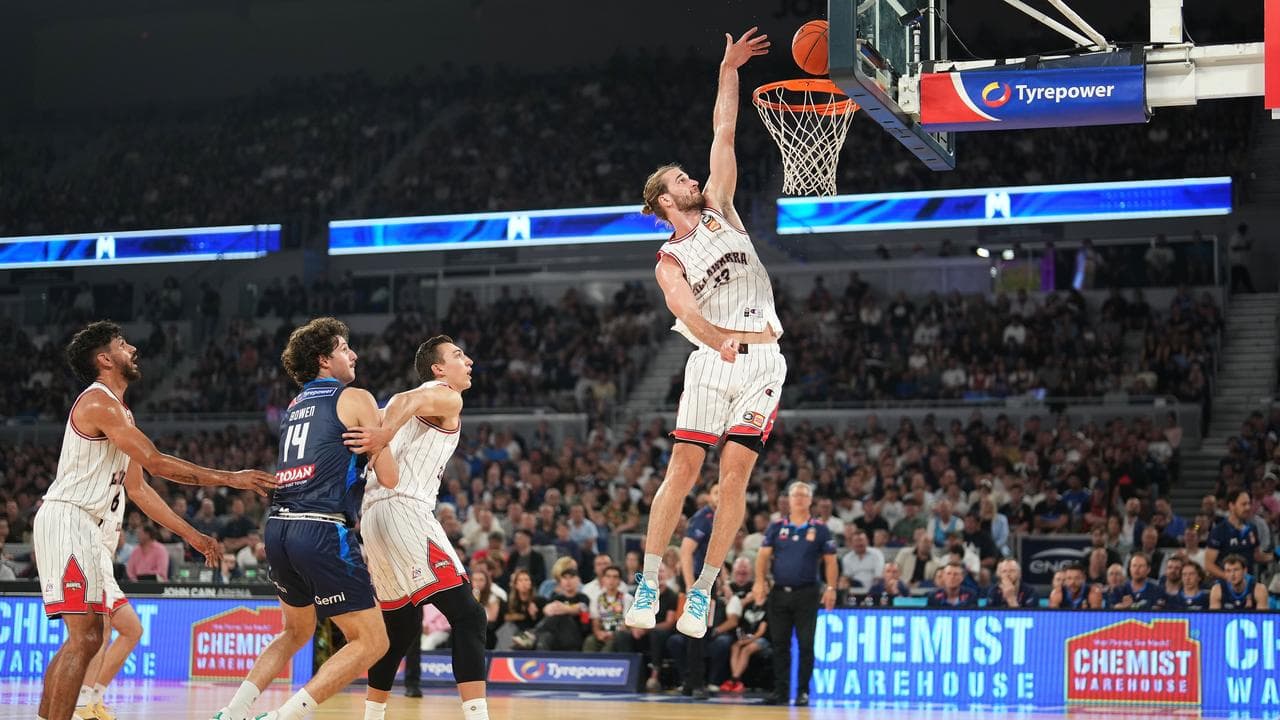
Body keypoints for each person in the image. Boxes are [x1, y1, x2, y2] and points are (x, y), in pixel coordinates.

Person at [627, 27, 783, 642]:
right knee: (685, 468)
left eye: (689, 176)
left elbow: (724, 128)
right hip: (714, 359)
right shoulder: (669, 257)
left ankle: (703, 590)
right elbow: (683, 309)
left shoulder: (720, 205)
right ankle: (648, 580)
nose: (692, 180)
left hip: (764, 360)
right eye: (680, 180)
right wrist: (716, 338)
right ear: (664, 201)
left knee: (734, 478)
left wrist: (729, 69)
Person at [34, 321, 272, 720]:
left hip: (87, 528)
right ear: (104, 359)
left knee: (87, 638)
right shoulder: (99, 403)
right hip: (69, 518)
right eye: (122, 344)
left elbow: (140, 489)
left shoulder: (120, 413)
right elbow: (157, 463)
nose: (133, 349)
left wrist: (192, 535)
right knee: (86, 637)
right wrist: (232, 478)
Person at [212, 318, 397, 720]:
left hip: (278, 527)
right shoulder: (356, 397)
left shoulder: (293, 407)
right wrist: (384, 438)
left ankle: (232, 712)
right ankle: (284, 717)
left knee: (295, 631)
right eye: (345, 348)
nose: (354, 354)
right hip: (321, 527)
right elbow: (390, 477)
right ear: (323, 360)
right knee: (372, 641)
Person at [341, 335, 490, 720]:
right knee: (470, 616)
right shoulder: (446, 395)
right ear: (438, 369)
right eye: (458, 355)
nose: (469, 361)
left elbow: (394, 407)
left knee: (401, 625)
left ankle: (373, 715)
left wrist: (381, 433)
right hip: (404, 509)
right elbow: (403, 400)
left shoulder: (413, 405)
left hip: (374, 518)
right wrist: (384, 434)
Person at [752, 482, 838, 706]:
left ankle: (802, 692)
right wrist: (760, 582)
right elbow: (762, 556)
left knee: (806, 644)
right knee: (780, 644)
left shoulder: (820, 529)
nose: (799, 499)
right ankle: (780, 692)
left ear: (810, 500)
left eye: (803, 495)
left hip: (807, 594)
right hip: (779, 593)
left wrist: (831, 588)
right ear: (788, 500)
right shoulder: (776, 526)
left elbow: (831, 561)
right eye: (795, 495)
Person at [676, 482, 720, 698]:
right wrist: (689, 585)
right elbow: (685, 552)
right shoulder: (703, 517)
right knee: (696, 634)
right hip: (697, 581)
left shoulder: (722, 517)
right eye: (716, 492)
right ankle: (695, 683)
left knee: (703, 632)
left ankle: (690, 682)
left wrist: (724, 580)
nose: (721, 496)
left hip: (710, 580)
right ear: (708, 496)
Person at [1205, 490, 1268, 581]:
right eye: (1243, 504)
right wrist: (1229, 577)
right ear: (1231, 505)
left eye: (1249, 503)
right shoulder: (1218, 531)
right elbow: (1208, 565)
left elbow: (1257, 556)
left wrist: (1275, 554)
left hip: (1248, 583)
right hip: (1226, 585)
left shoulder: (1252, 528)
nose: (1248, 507)